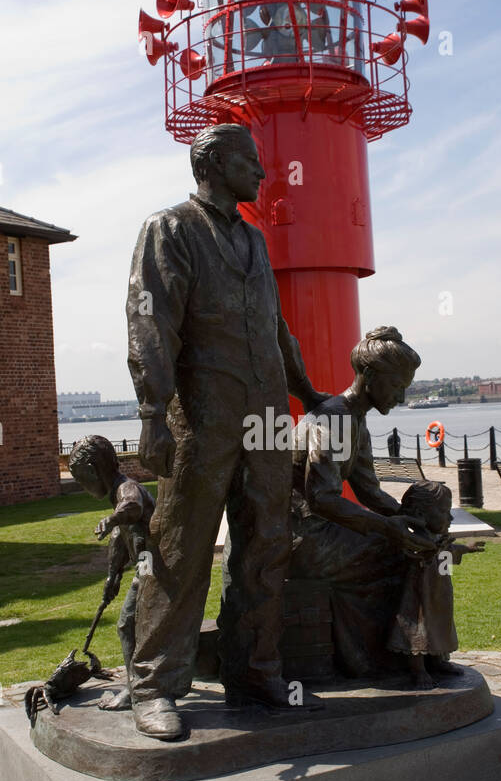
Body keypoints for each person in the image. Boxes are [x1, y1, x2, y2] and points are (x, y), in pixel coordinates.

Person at [126, 123, 325, 741]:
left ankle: (254, 670)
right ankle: (155, 683)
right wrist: (153, 414)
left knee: (267, 544)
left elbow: (276, 328)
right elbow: (150, 321)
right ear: (214, 164)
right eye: (251, 162)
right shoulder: (171, 229)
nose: (264, 175)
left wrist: (308, 392)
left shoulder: (256, 242)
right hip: (203, 417)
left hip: (266, 416)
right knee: (180, 550)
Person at [289, 326, 440, 679]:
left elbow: (370, 491)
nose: (400, 399)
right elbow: (322, 498)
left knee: (415, 548)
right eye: (397, 387)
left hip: (320, 532)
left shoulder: (355, 421)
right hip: (299, 539)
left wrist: (412, 518)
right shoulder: (334, 418)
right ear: (369, 375)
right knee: (400, 556)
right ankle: (383, 659)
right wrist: (390, 529)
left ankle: (397, 655)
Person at [68, 435, 155, 712]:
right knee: (131, 625)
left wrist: (112, 518)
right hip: (146, 567)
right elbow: (120, 540)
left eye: (83, 480)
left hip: (154, 568)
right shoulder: (116, 493)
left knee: (128, 625)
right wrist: (112, 577)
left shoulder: (127, 489)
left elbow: (132, 508)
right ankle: (142, 685)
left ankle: (137, 690)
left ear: (94, 471)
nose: (83, 488)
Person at [387, 481, 485, 686]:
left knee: (440, 623)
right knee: (418, 629)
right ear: (421, 514)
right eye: (443, 511)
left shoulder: (439, 538)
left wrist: (466, 548)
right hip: (418, 595)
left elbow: (447, 553)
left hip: (439, 591)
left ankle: (438, 659)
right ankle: (418, 668)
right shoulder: (412, 538)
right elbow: (413, 555)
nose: (450, 518)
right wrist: (429, 549)